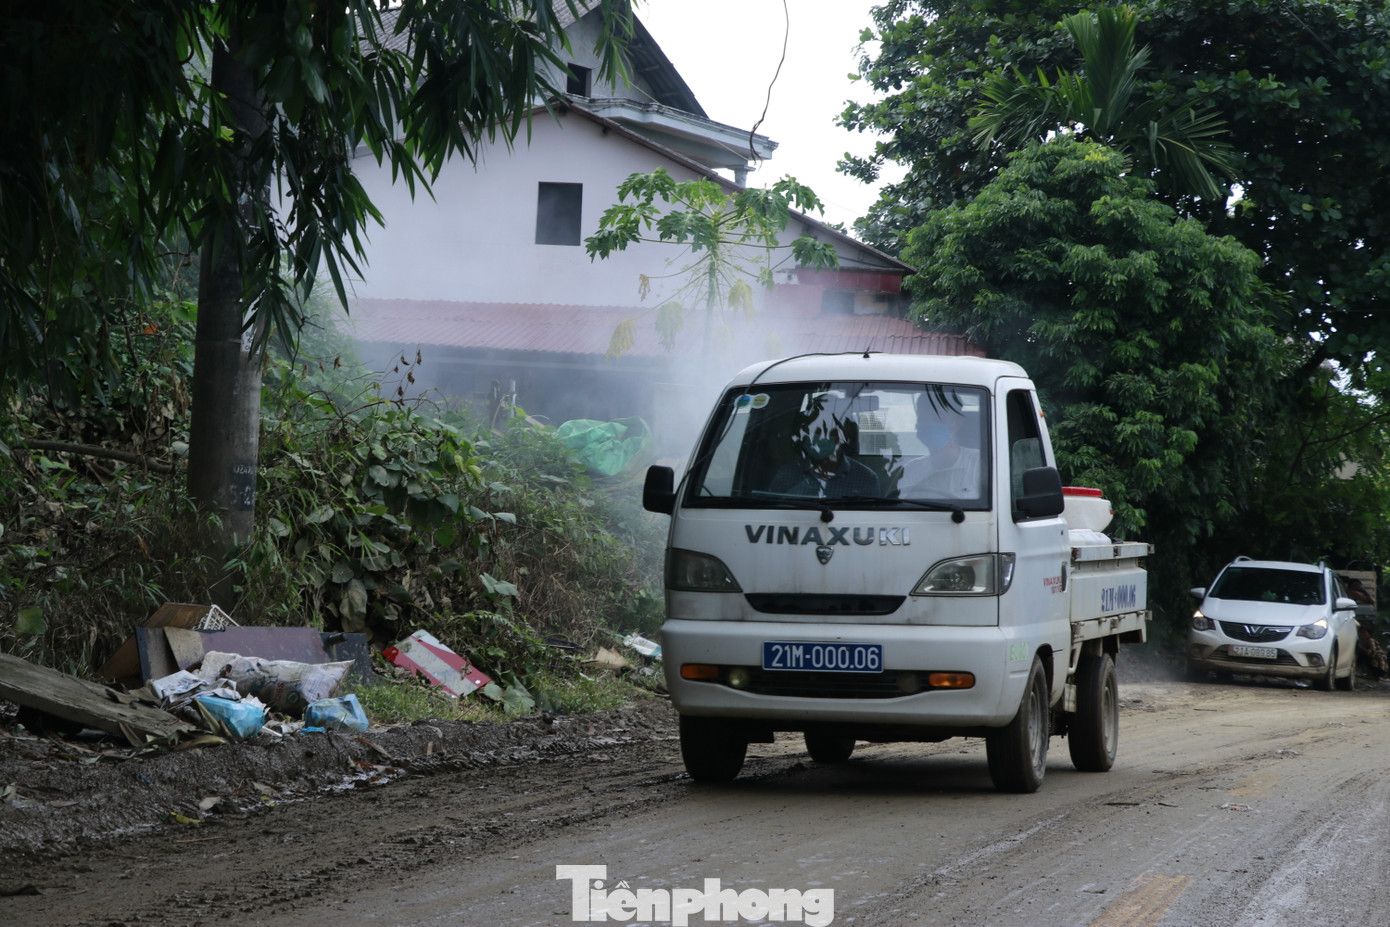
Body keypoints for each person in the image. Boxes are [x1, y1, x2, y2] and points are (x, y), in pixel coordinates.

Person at [769, 415, 880, 499]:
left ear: (845, 433)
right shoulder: (787, 474)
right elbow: (773, 513)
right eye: (812, 429)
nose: (818, 435)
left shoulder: (865, 478)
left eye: (827, 428)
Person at [898, 400, 982, 500]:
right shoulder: (910, 470)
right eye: (924, 420)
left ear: (956, 425)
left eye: (937, 419)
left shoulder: (980, 463)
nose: (929, 425)